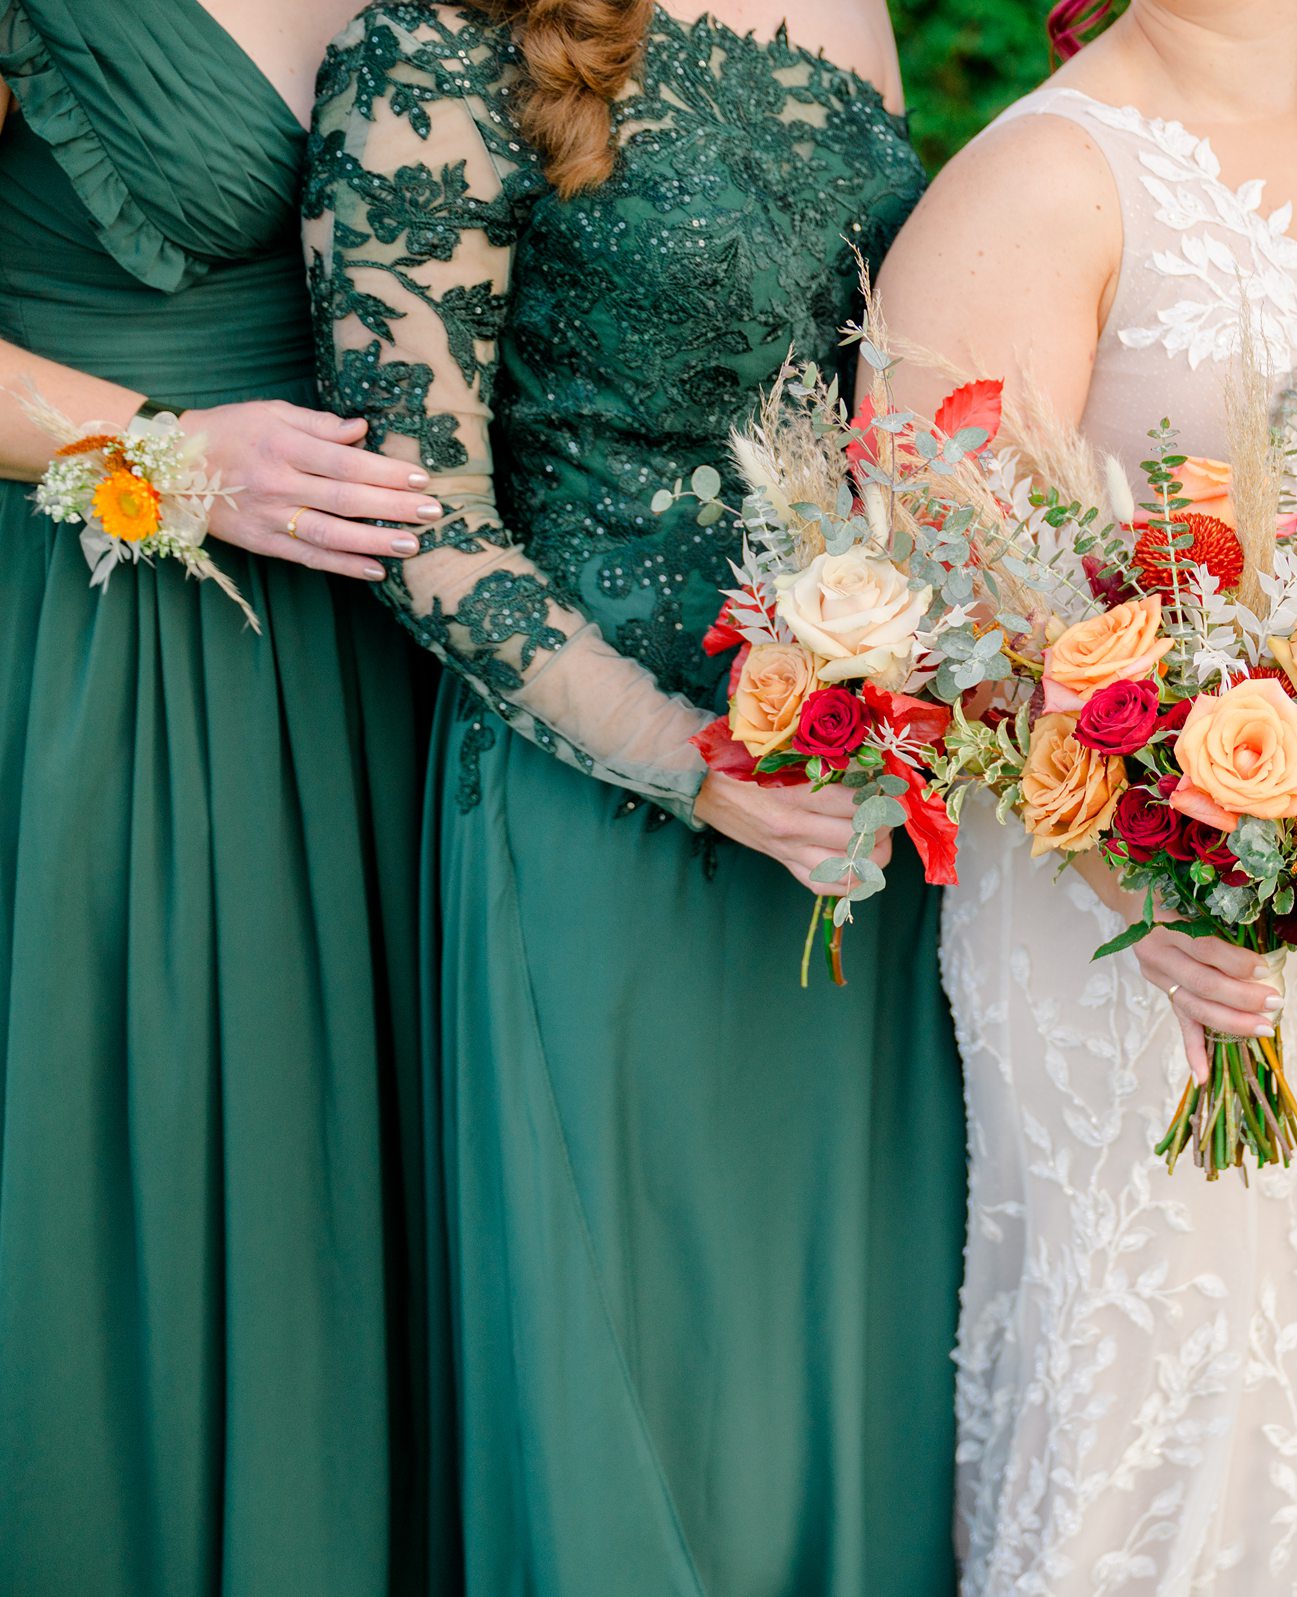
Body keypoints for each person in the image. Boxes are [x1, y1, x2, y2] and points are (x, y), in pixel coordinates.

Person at [874, 1, 1297, 1590]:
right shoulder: (1041, 179)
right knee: (1175, 1375)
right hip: (1135, 921)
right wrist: (1162, 883)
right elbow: (938, 595)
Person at [303, 3, 962, 1591]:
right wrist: (691, 762)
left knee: (849, 1351)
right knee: (645, 1366)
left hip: (840, 784)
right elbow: (422, 511)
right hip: (597, 788)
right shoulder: (433, 45)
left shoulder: (849, 10)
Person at [0, 2, 436, 1590]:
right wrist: (168, 451)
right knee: (164, 1189)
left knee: (356, 1225)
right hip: (135, 634)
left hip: (406, 658)